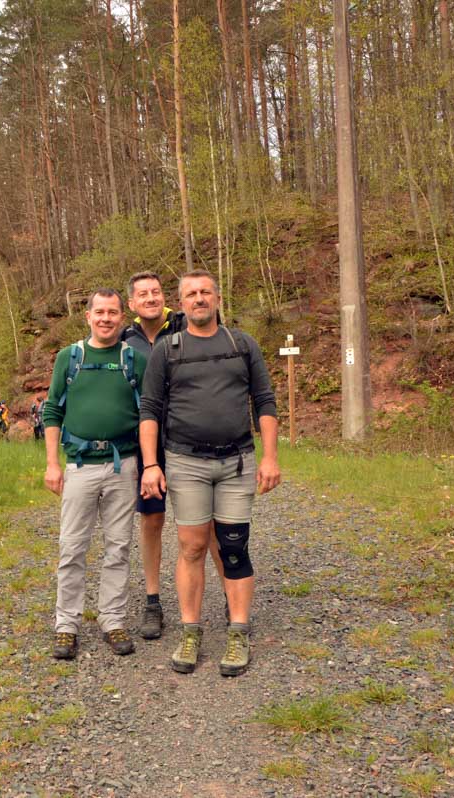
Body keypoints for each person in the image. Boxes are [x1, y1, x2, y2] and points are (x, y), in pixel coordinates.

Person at [139, 270, 280, 677]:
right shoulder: (167, 350)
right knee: (192, 547)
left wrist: (270, 458)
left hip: (236, 462)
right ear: (180, 304)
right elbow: (150, 409)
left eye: (205, 292)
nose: (198, 299)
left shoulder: (242, 344)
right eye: (190, 294)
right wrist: (151, 465)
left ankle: (238, 631)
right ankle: (191, 631)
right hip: (186, 462)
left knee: (234, 547)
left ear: (217, 298)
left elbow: (264, 401)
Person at [42, 288, 147, 659]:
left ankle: (112, 620)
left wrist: (150, 465)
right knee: (72, 547)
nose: (106, 318)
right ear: (88, 316)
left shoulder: (134, 360)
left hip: (124, 465)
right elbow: (52, 410)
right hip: (79, 465)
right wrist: (52, 464)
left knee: (119, 547)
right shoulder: (69, 358)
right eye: (99, 312)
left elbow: (148, 414)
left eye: (112, 312)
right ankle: (66, 625)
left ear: (122, 317)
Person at [120, 271, 186, 641]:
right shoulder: (123, 339)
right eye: (143, 294)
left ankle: (229, 595)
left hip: (187, 440)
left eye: (156, 292)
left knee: (203, 525)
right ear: (132, 303)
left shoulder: (184, 327)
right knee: (152, 521)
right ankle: (152, 601)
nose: (150, 298)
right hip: (145, 445)